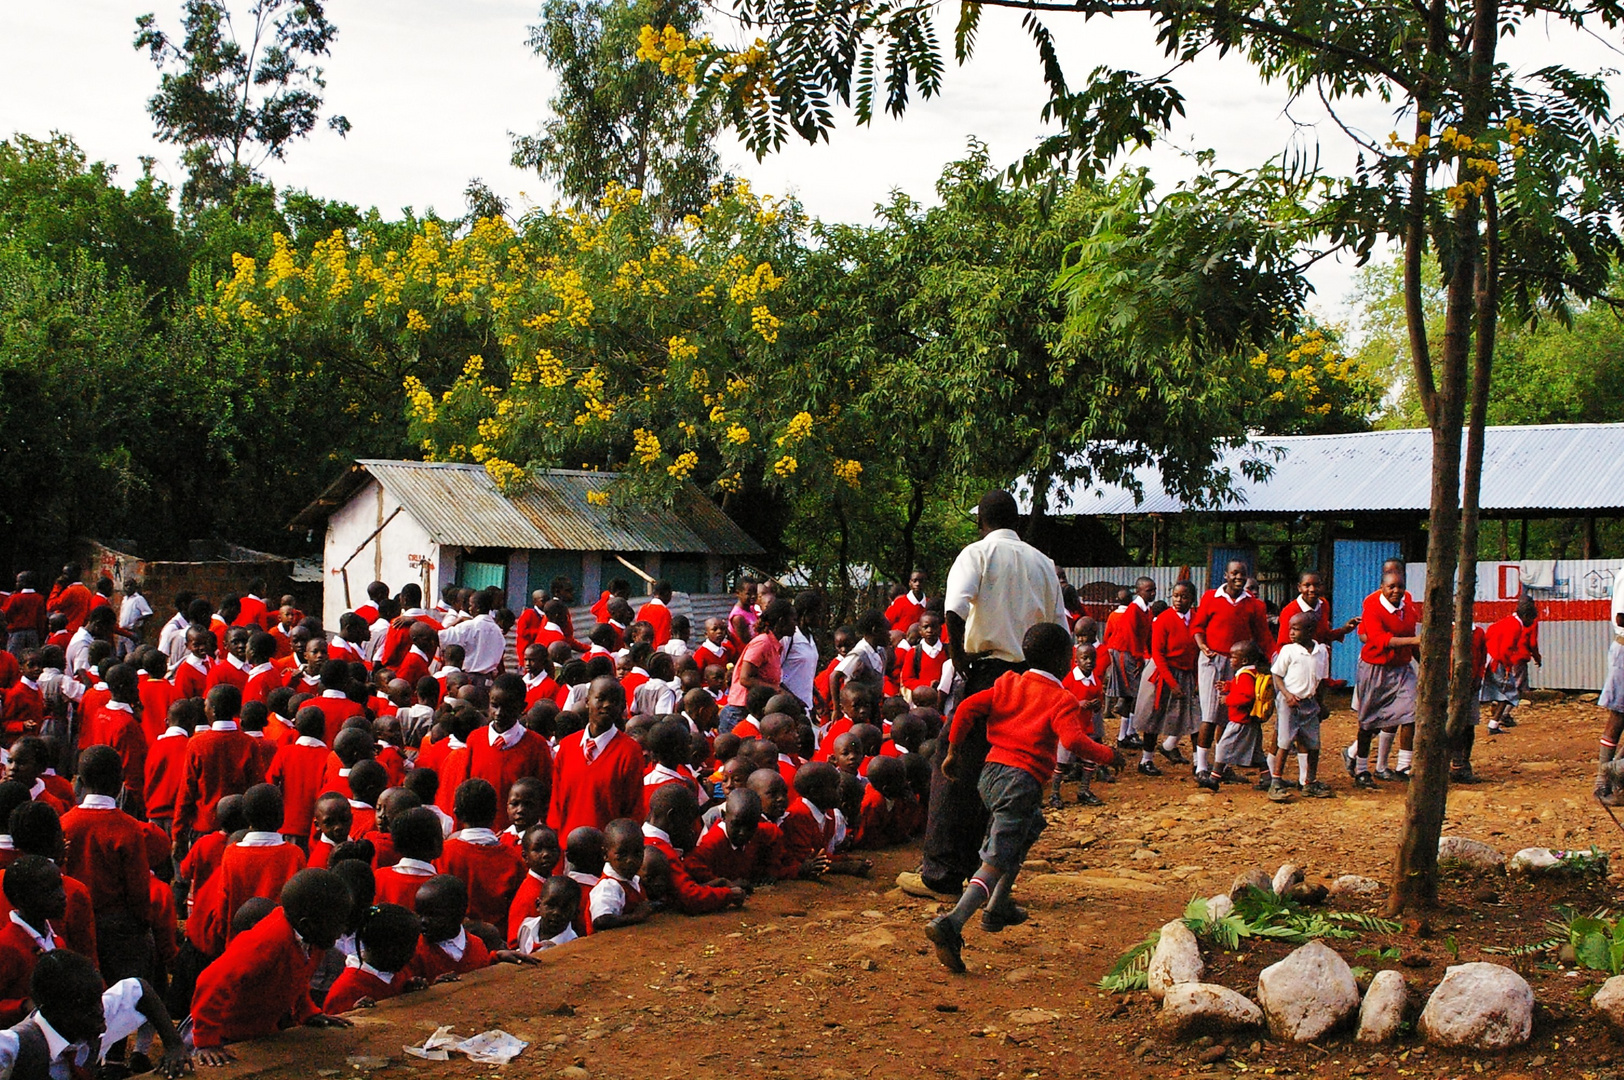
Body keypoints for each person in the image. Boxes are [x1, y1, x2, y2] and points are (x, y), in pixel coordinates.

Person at [925, 622, 1123, 972]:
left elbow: (969, 707)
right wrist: (1109, 755)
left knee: (1028, 826)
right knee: (996, 858)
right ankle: (953, 922)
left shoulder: (1008, 683)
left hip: (991, 774)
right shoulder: (1060, 699)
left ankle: (998, 904)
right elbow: (1075, 742)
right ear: (1065, 661)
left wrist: (953, 751)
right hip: (1021, 781)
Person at [908, 491, 1068, 898]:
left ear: (981, 520)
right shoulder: (1043, 563)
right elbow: (1059, 629)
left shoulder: (977, 553)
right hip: (1031, 676)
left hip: (988, 674)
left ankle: (940, 873)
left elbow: (954, 608)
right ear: (1017, 520)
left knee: (955, 762)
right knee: (1007, 768)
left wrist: (956, 654)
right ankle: (988, 872)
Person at [188, 868, 354, 1064]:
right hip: (225, 1031)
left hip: (259, 1028)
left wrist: (307, 1013)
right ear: (308, 924)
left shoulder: (313, 940)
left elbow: (297, 978)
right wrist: (207, 1041)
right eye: (338, 923)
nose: (343, 930)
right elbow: (211, 981)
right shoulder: (267, 943)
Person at [60, 746, 156, 983]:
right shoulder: (129, 828)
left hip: (73, 924)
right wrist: (143, 923)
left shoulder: (65, 823)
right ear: (120, 781)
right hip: (118, 928)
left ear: (80, 781)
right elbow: (138, 889)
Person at [1345, 570, 1421, 789]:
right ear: (1382, 587)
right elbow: (1379, 640)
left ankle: (1404, 765)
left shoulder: (1408, 609)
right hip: (1375, 669)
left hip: (1401, 669)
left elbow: (1413, 641)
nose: (1396, 591)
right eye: (1391, 587)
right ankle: (1360, 768)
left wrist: (1421, 662)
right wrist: (1414, 640)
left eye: (1400, 586)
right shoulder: (1373, 607)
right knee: (1369, 721)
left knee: (1412, 711)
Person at [548, 677, 644, 841]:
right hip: (567, 848)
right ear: (587, 701)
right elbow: (556, 805)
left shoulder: (629, 752)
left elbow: (633, 811)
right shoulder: (568, 746)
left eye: (613, 701)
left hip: (606, 853)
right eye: (600, 698)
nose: (606, 705)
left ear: (622, 707)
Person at [175, 684, 263, 841]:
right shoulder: (249, 743)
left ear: (213, 710)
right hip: (240, 828)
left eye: (206, 704)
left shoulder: (197, 744)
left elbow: (187, 790)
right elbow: (257, 786)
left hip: (205, 826)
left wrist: (178, 832)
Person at [639, 783, 744, 915]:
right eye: (688, 822)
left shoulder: (644, 838)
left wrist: (716, 883)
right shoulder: (660, 850)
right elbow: (689, 898)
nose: (691, 830)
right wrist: (729, 894)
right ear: (672, 817)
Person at [1131, 581, 1201, 775]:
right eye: (1176, 596)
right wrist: (1172, 682)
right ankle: (1146, 760)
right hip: (1162, 672)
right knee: (1154, 716)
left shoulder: (1197, 619)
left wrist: (1196, 680)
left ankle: (1199, 763)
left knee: (1195, 717)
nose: (1179, 600)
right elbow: (1158, 654)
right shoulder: (1163, 619)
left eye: (1184, 596)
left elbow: (1197, 653)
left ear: (1192, 599)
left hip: (1187, 673)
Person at [438, 779, 525, 927]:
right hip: (500, 942)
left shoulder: (443, 854)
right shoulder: (513, 859)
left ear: (457, 813)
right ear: (495, 813)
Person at [0, 857, 67, 1025]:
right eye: (49, 890)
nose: (62, 896)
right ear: (22, 898)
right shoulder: (6, 945)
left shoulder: (56, 941)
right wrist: (23, 1006)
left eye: (60, 885)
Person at [322, 903, 422, 1014]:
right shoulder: (346, 990)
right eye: (409, 947)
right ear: (390, 949)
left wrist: (409, 990)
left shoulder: (399, 972)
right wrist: (354, 1013)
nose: (412, 954)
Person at [1271, 610, 1330, 800]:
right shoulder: (1289, 651)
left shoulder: (1322, 652)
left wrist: (1321, 705)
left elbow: (1321, 681)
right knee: (1285, 742)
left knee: (1313, 743)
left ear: (1311, 630)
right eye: (1290, 629)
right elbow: (1277, 675)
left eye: (1296, 629)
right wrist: (1287, 695)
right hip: (1290, 703)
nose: (1291, 633)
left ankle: (1309, 782)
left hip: (1310, 703)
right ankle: (1276, 782)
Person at [719, 600, 795, 734]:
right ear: (782, 621)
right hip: (740, 712)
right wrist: (778, 691)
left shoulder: (774, 645)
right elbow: (745, 678)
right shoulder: (762, 643)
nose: (796, 624)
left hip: (754, 711)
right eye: (793, 619)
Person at [1483, 596, 1541, 735]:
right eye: (1531, 619)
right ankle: (1495, 723)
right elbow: (1507, 649)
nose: (1532, 622)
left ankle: (1495, 720)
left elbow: (1490, 631)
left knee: (1505, 690)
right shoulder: (1516, 626)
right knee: (1510, 693)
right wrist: (1507, 667)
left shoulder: (1508, 621)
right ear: (1526, 616)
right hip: (1498, 661)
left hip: (1491, 658)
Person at [586, 819, 650, 931]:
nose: (630, 860)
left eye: (637, 853)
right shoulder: (608, 886)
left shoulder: (632, 880)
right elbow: (600, 921)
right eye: (622, 854)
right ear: (605, 855)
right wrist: (636, 917)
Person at [515, 876, 582, 954]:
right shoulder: (526, 927)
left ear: (575, 914)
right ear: (538, 905)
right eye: (551, 905)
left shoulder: (571, 946)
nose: (556, 912)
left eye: (565, 908)